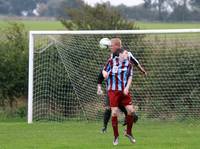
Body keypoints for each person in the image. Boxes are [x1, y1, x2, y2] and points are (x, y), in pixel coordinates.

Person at [97, 38, 146, 133]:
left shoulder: (127, 54)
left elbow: (136, 63)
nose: (110, 47)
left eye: (112, 45)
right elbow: (104, 70)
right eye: (109, 45)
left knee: (122, 107)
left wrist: (142, 70)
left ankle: (130, 120)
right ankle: (104, 127)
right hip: (111, 87)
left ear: (118, 46)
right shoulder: (112, 57)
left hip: (122, 87)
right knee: (109, 108)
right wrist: (99, 84)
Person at [102, 47, 136, 145]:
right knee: (114, 113)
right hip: (113, 91)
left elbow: (130, 76)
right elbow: (104, 71)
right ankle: (116, 136)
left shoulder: (129, 64)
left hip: (124, 91)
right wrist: (105, 74)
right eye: (125, 53)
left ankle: (128, 132)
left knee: (131, 111)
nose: (127, 55)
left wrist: (127, 88)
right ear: (120, 54)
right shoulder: (111, 62)